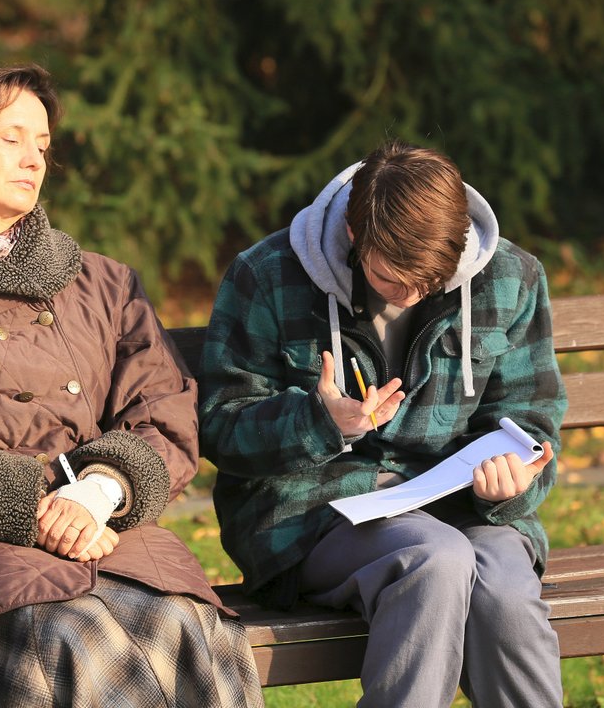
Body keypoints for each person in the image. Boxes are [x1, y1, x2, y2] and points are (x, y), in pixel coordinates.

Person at [0, 64, 263, 707]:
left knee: (179, 622)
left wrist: (97, 492)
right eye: (11, 139)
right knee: (76, 634)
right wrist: (35, 508)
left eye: (41, 145)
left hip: (101, 530)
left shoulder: (104, 283)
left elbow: (165, 408)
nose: (33, 159)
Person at [199, 139, 567, 707]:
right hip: (310, 511)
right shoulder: (268, 275)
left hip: (461, 501)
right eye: (394, 279)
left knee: (507, 594)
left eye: (434, 281)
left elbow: (531, 417)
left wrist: (514, 480)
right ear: (353, 233)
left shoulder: (510, 277)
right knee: (434, 561)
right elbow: (222, 427)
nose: (415, 294)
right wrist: (319, 423)